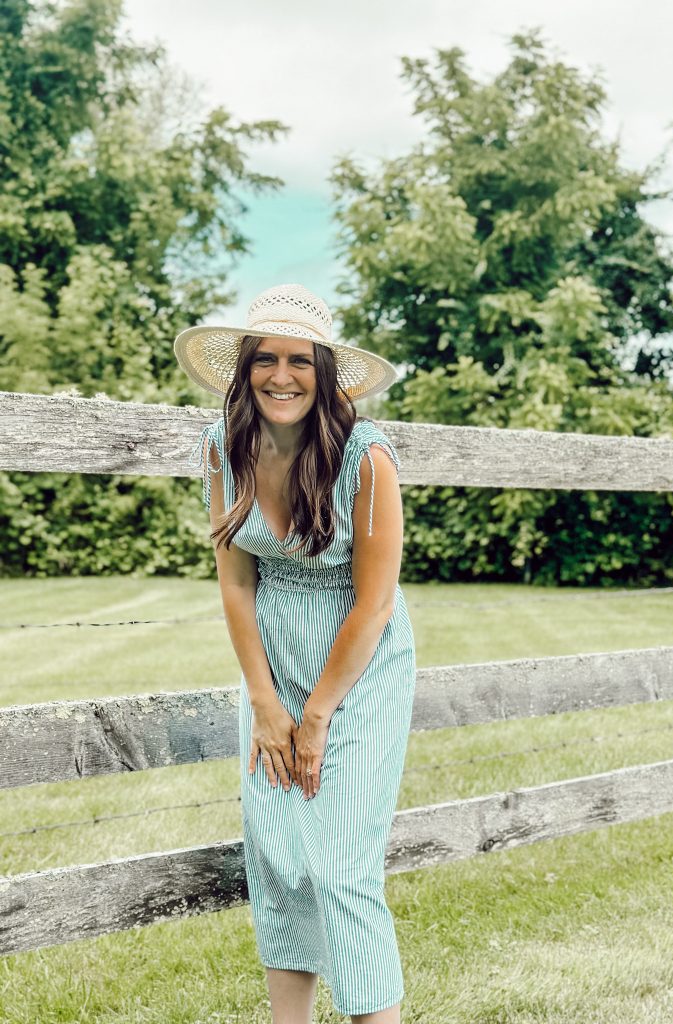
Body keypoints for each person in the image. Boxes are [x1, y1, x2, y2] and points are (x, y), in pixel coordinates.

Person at [174, 283, 417, 1024]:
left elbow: (374, 603)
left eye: (300, 361)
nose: (283, 376)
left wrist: (315, 715)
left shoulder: (365, 459)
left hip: (360, 667)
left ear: (325, 371)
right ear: (245, 369)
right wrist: (266, 702)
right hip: (273, 666)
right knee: (279, 862)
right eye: (266, 359)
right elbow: (236, 583)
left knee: (340, 867)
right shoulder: (223, 447)